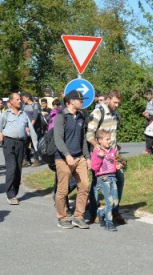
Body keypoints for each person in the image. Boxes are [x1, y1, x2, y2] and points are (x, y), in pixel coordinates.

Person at [86, 89, 127, 225]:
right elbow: (89, 134)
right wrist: (97, 147)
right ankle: (93, 213)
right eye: (115, 102)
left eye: (118, 103)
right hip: (100, 157)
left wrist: (117, 155)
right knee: (96, 184)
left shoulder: (115, 114)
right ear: (108, 99)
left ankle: (114, 211)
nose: (117, 105)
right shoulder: (98, 112)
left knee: (119, 179)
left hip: (113, 155)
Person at [54, 90, 90, 229]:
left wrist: (87, 157)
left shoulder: (81, 116)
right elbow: (58, 139)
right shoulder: (61, 116)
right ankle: (62, 218)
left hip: (79, 157)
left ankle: (78, 217)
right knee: (63, 190)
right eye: (79, 99)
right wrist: (67, 155)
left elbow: (83, 140)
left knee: (84, 186)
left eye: (82, 99)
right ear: (69, 102)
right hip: (63, 159)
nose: (82, 102)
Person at [0, 93, 37, 205]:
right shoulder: (6, 114)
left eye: (20, 99)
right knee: (12, 168)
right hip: (9, 142)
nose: (20, 101)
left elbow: (31, 129)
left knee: (18, 169)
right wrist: (0, 136)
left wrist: (36, 144)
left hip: (21, 143)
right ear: (11, 102)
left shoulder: (24, 114)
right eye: (17, 99)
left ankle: (15, 192)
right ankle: (10, 194)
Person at [91, 130, 122, 232]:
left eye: (110, 139)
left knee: (115, 202)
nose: (110, 141)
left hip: (113, 177)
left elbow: (118, 160)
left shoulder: (113, 150)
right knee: (109, 201)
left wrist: (119, 165)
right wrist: (100, 156)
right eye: (107, 139)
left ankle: (101, 213)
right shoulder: (97, 151)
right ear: (99, 140)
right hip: (103, 178)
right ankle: (109, 223)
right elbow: (94, 167)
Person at [21, 92, 41, 167]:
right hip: (26, 128)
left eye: (24, 98)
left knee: (34, 144)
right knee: (25, 143)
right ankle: (26, 159)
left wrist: (30, 126)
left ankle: (36, 160)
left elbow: (35, 116)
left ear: (28, 98)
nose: (23, 100)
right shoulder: (23, 106)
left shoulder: (35, 105)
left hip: (34, 128)